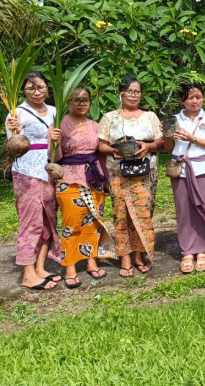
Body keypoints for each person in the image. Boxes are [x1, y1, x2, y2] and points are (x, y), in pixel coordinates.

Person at [97, 77, 163, 277]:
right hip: (119, 172)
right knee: (121, 214)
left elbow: (161, 142)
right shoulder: (109, 118)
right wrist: (113, 152)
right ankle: (125, 256)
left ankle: (139, 254)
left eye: (137, 91)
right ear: (120, 93)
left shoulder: (150, 116)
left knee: (143, 215)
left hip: (146, 173)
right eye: (129, 91)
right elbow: (101, 145)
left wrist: (148, 146)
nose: (133, 95)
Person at [52, 87, 114, 288]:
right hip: (69, 177)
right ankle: (69, 265)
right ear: (67, 102)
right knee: (72, 223)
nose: (81, 103)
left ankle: (91, 260)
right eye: (76, 100)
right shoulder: (59, 125)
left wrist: (106, 180)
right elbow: (55, 156)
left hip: (94, 177)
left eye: (85, 99)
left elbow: (101, 154)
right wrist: (53, 140)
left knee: (93, 221)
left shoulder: (95, 125)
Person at [5, 72, 62, 290]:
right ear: (24, 91)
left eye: (41, 87)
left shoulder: (56, 112)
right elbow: (13, 147)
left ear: (48, 88)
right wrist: (12, 130)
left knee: (49, 220)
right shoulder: (16, 113)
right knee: (30, 221)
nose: (37, 92)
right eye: (31, 88)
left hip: (49, 170)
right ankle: (28, 274)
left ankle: (40, 268)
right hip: (27, 173)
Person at [163, 82, 205, 273]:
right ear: (182, 100)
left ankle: (203, 250)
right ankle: (187, 251)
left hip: (204, 168)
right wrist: (168, 134)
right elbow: (168, 149)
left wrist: (192, 138)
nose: (195, 101)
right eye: (190, 97)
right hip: (180, 169)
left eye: (198, 97)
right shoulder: (174, 119)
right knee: (184, 211)